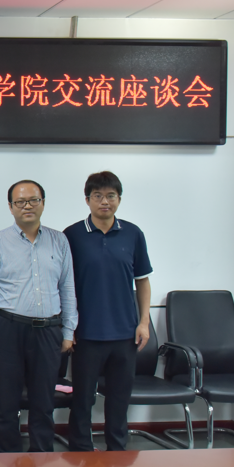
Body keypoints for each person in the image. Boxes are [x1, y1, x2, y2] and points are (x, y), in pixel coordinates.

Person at [0, 179, 77, 453]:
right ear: (11, 207)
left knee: (43, 402)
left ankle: (41, 459)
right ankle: (6, 459)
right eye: (20, 201)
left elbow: (68, 288)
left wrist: (68, 331)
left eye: (33, 200)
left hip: (49, 331)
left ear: (43, 203)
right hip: (8, 329)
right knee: (6, 402)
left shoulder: (59, 241)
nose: (27, 206)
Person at [64, 171, 152, 451]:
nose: (105, 201)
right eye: (98, 196)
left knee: (119, 398)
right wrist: (68, 326)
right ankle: (80, 449)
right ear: (87, 200)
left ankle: (117, 450)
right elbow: (63, 284)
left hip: (125, 333)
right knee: (82, 398)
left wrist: (143, 322)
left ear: (119, 199)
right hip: (86, 333)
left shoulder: (133, 234)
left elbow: (142, 281)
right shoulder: (72, 235)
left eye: (111, 196)